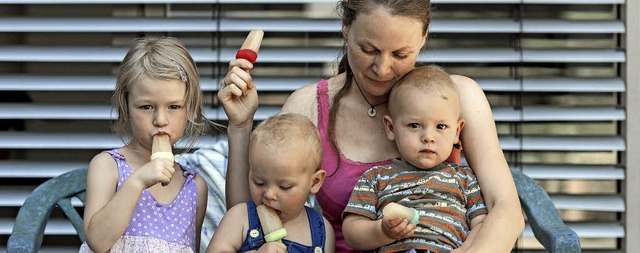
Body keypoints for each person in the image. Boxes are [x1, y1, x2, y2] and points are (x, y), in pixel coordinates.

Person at [218, 0, 524, 252]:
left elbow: (506, 210)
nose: (382, 68)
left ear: (424, 37)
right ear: (345, 27)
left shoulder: (457, 97)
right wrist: (241, 124)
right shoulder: (308, 106)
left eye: (401, 54)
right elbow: (250, 221)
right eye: (368, 50)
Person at [80, 37, 209, 253]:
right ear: (125, 106)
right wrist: (137, 182)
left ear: (191, 109)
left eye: (174, 106)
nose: (160, 119)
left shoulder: (195, 187)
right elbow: (98, 242)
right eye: (147, 106)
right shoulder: (107, 166)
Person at [342, 65, 487, 252]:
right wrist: (382, 231)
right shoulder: (376, 178)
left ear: (457, 132)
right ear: (391, 128)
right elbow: (351, 232)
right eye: (414, 125)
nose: (428, 137)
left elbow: (481, 225)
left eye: (441, 127)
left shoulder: (465, 180)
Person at [207, 113, 335, 253]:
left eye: (284, 186)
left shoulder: (322, 231)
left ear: (315, 182)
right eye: (259, 182)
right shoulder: (240, 217)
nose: (269, 194)